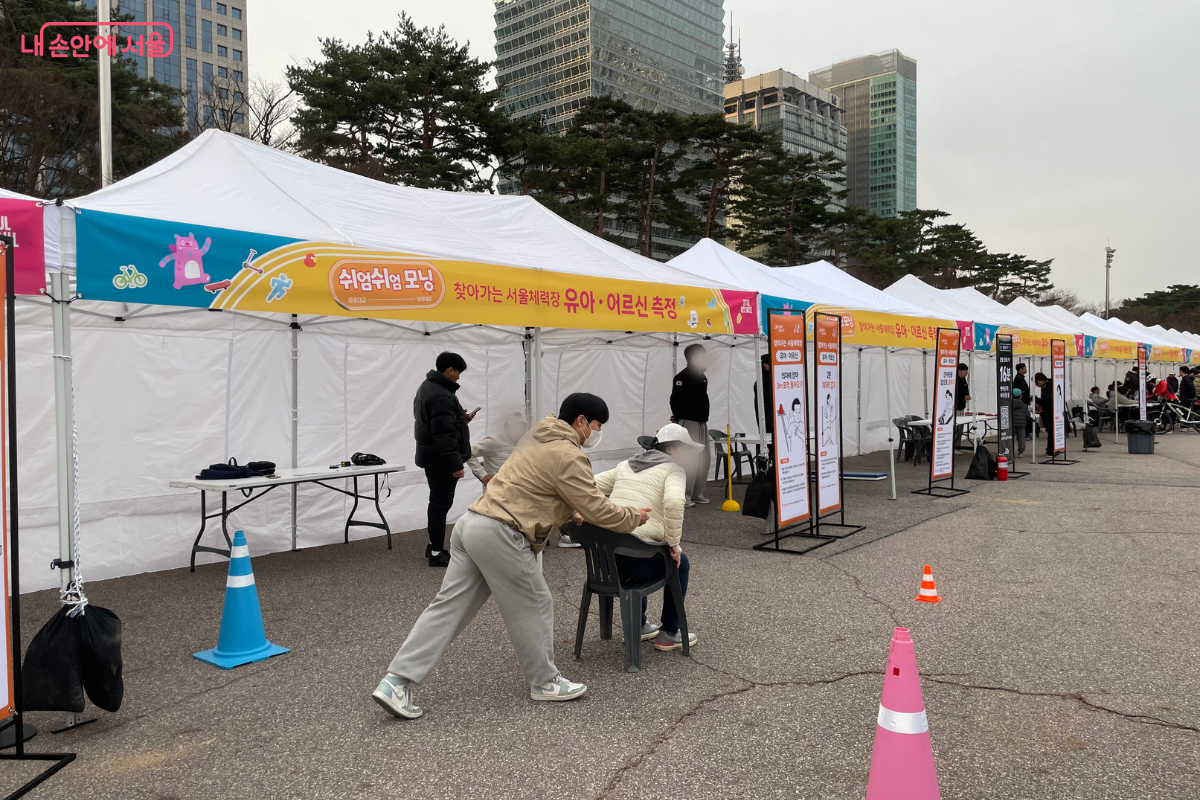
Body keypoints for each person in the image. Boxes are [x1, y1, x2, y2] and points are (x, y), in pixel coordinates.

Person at [374, 393, 651, 720]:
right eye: (597, 425)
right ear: (580, 422)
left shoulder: (536, 434)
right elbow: (598, 508)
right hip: (502, 533)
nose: (597, 432)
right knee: (537, 602)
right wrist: (634, 516)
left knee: (446, 608)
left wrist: (568, 511)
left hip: (471, 525)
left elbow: (535, 485)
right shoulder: (569, 454)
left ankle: (396, 681)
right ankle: (545, 683)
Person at [593, 423, 703, 651]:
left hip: (605, 564)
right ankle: (669, 633)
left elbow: (589, 485)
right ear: (671, 450)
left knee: (640, 544)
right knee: (679, 564)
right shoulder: (673, 469)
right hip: (635, 563)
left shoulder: (626, 465)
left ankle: (640, 626)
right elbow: (674, 503)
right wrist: (674, 545)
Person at [414, 352, 476, 568]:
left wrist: (461, 418)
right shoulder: (442, 395)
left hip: (431, 457)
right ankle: (437, 552)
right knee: (441, 505)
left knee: (436, 503)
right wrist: (455, 465)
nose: (459, 377)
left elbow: (437, 424)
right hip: (442, 460)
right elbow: (443, 435)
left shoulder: (426, 387)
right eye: (458, 372)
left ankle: (433, 544)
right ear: (450, 370)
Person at [669, 343, 711, 508]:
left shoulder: (702, 376)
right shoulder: (683, 377)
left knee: (703, 459)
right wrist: (679, 417)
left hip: (702, 422)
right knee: (690, 459)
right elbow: (675, 399)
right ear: (694, 358)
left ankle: (697, 494)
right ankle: (684, 495)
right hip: (689, 423)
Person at [466, 409, 528, 489]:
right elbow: (468, 453)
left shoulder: (527, 442)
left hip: (519, 492)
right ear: (506, 426)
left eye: (522, 426)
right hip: (496, 493)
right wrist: (483, 475)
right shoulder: (493, 442)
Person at [1035, 372, 1054, 456]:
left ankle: (1050, 450)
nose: (1036, 384)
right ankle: (1054, 448)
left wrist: (1036, 399)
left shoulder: (1045, 387)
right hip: (1054, 411)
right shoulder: (1052, 384)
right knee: (1053, 431)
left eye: (1036, 382)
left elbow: (1045, 401)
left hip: (1048, 412)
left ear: (1041, 380)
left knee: (1050, 431)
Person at [1014, 363, 1033, 440]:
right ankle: (1024, 435)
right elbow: (1022, 390)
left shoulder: (1021, 378)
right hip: (1022, 402)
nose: (1026, 369)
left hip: (1024, 401)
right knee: (1023, 418)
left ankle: (1026, 434)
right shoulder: (1018, 378)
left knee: (1025, 417)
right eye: (1024, 368)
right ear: (1020, 369)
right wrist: (1027, 396)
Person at [953, 363, 971, 449]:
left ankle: (958, 445)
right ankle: (954, 446)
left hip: (961, 407)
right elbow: (953, 394)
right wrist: (963, 397)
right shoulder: (954, 380)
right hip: (954, 407)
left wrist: (967, 396)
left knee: (960, 427)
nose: (966, 373)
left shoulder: (964, 380)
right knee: (955, 427)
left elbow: (966, 390)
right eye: (965, 371)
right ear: (959, 371)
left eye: (967, 371)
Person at [1011, 387, 1029, 456]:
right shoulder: (1024, 405)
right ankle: (1020, 451)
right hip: (1021, 424)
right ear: (1020, 396)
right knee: (1021, 438)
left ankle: (1009, 450)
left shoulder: (1009, 404)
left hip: (1012, 424)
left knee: (1010, 438)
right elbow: (1027, 415)